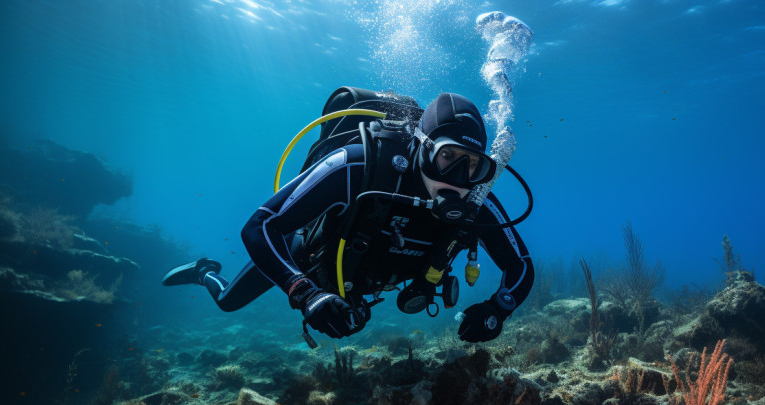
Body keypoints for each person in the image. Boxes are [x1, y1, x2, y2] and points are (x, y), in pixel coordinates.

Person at [162, 91, 533, 343]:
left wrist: (497, 310)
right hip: (307, 260)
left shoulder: (476, 197)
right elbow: (260, 226)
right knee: (228, 301)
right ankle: (205, 271)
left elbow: (521, 266)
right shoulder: (361, 166)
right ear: (421, 146)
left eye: (474, 166)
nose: (458, 180)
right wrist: (304, 292)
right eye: (447, 158)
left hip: (367, 279)